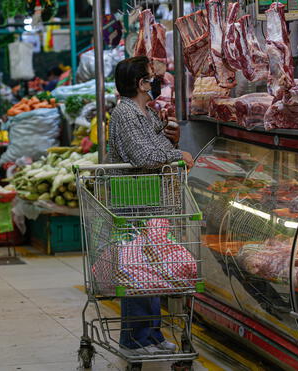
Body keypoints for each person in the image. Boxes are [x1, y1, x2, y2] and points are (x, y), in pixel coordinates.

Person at [108, 56, 194, 354]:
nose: (155, 81)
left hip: (148, 199)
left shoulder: (145, 113)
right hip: (132, 199)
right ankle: (134, 340)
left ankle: (152, 335)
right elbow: (143, 156)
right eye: (149, 77)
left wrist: (174, 142)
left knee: (153, 269)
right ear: (138, 83)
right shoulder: (126, 114)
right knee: (136, 269)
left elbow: (157, 147)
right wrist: (177, 156)